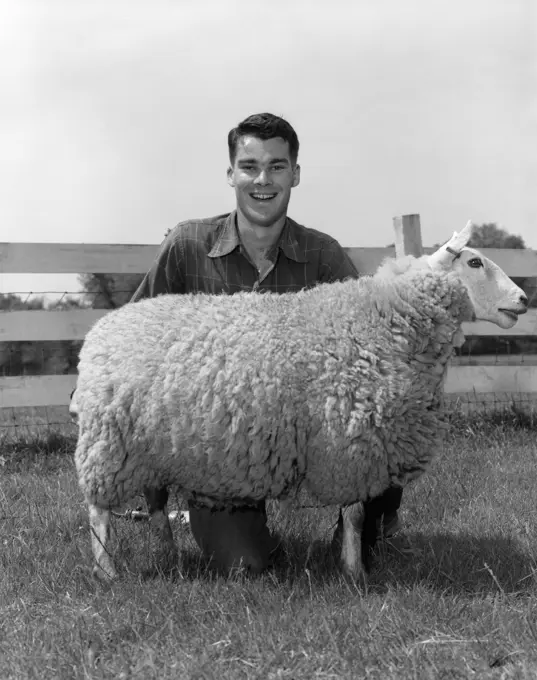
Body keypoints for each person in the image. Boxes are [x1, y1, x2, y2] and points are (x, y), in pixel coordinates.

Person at [131, 112, 401, 573]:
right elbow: (136, 330)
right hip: (220, 451)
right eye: (250, 165)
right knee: (246, 566)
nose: (263, 180)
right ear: (231, 173)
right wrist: (95, 393)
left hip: (305, 437)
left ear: (295, 174)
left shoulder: (323, 257)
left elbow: (368, 351)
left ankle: (365, 522)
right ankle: (235, 528)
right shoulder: (187, 246)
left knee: (386, 426)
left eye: (277, 166)